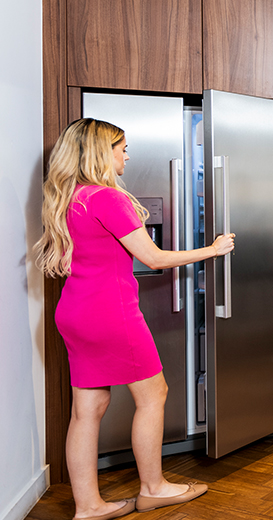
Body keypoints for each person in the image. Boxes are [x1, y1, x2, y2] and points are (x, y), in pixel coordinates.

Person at [35, 119, 234, 520]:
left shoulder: (69, 197)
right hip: (111, 314)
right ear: (101, 152)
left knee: (86, 409)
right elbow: (154, 258)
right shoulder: (108, 199)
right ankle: (154, 488)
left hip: (74, 313)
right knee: (153, 394)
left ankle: (88, 506)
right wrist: (213, 250)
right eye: (121, 147)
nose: (126, 154)